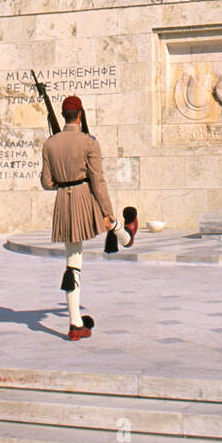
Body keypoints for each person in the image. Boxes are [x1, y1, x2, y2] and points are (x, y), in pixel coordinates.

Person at [40, 94, 136, 340]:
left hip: (63, 200)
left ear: (64, 116)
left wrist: (64, 182)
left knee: (73, 261)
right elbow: (98, 181)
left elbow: (47, 182)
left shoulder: (49, 144)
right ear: (80, 115)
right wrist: (107, 211)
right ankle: (123, 233)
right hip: (85, 196)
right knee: (100, 229)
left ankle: (75, 324)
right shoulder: (89, 142)